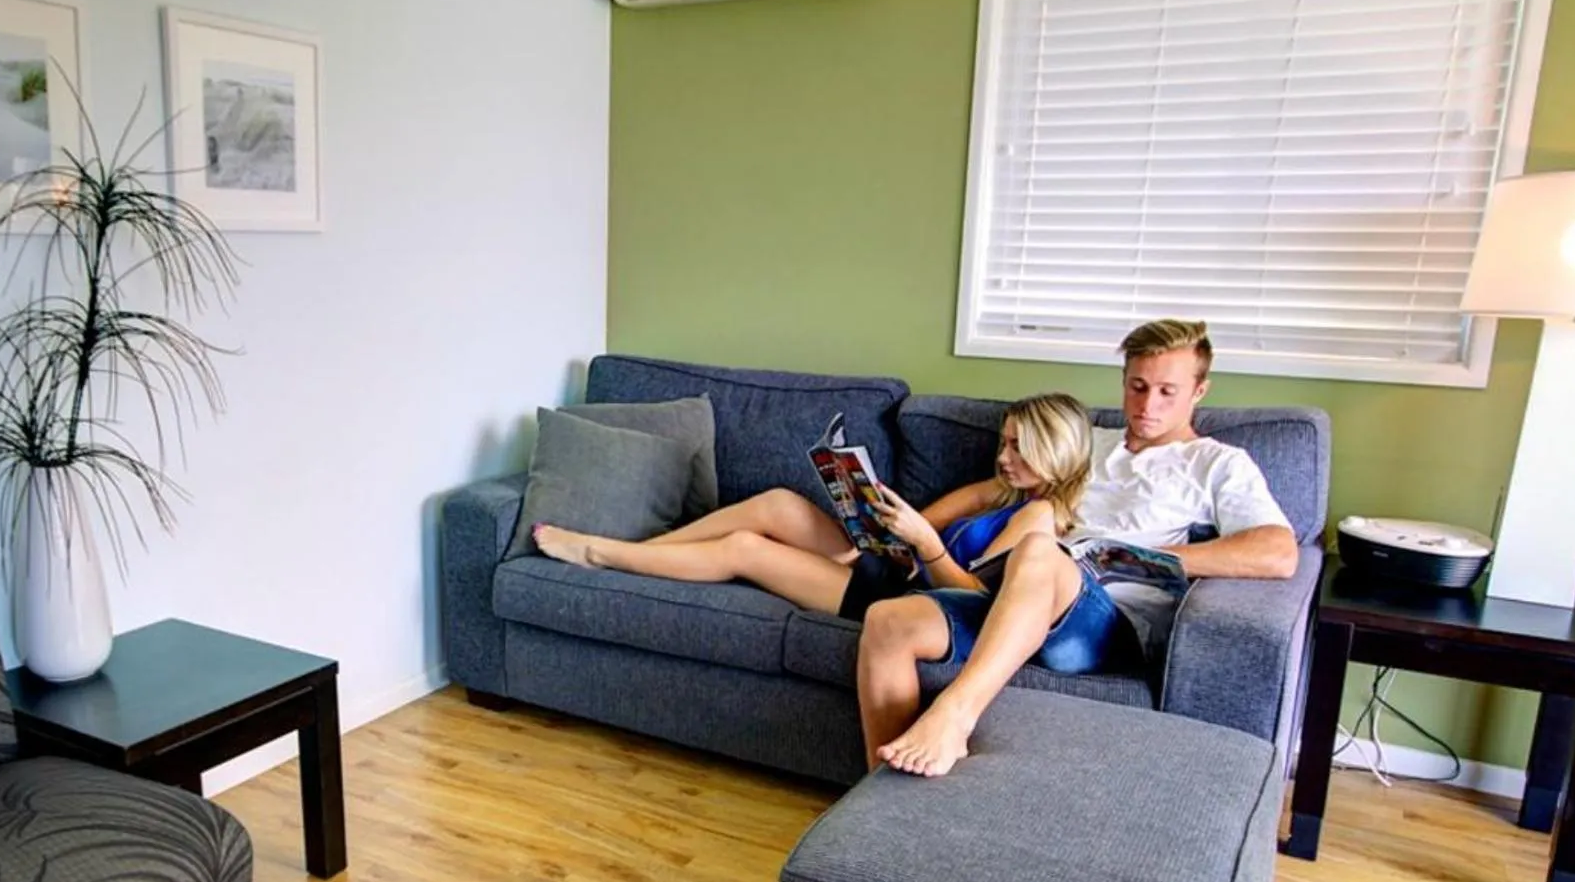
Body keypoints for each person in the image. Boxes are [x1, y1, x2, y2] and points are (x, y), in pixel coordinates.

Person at [864, 319, 1300, 777]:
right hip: (1020, 597)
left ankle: (956, 714)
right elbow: (994, 489)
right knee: (888, 621)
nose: (1147, 405)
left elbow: (1279, 551)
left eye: (1167, 392)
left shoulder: (1217, 463)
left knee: (1038, 550)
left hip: (1104, 622)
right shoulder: (1090, 442)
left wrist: (1144, 560)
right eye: (1137, 386)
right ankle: (874, 796)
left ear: (1199, 391)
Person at [531, 391, 1095, 621]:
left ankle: (603, 555)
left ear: (1056, 451)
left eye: (1019, 447)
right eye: (1004, 440)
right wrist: (868, 517)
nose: (1003, 455)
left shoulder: (1037, 519)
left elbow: (980, 601)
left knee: (744, 550)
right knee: (777, 503)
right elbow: (917, 529)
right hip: (890, 565)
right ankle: (644, 551)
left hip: (910, 600)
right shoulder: (997, 490)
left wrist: (922, 543)